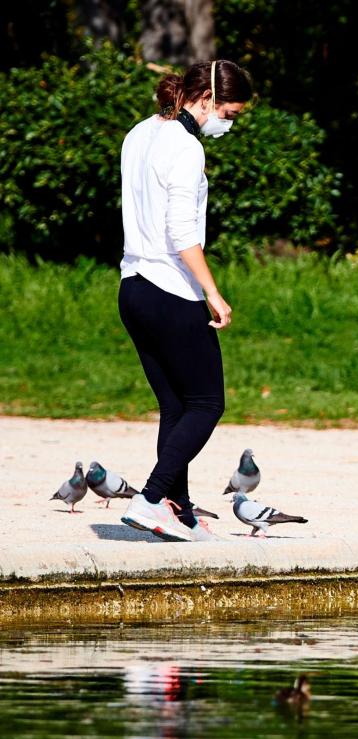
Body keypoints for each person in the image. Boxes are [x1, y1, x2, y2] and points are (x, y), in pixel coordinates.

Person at [117, 59, 254, 543]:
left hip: (131, 287)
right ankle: (151, 498)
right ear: (207, 100)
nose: (229, 124)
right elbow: (180, 234)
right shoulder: (185, 146)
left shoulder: (139, 133)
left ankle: (180, 513)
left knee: (175, 406)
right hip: (170, 289)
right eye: (230, 113)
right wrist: (213, 293)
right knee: (206, 403)